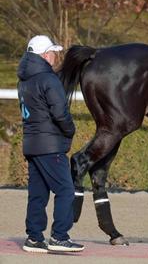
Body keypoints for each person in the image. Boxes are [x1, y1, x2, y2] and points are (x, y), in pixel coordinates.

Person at [17, 35, 84, 253]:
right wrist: (70, 130)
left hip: (32, 144)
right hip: (50, 145)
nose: (56, 55)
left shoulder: (23, 80)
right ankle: (59, 237)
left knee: (37, 194)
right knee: (66, 190)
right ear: (45, 55)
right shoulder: (48, 79)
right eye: (53, 51)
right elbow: (60, 113)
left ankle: (34, 238)